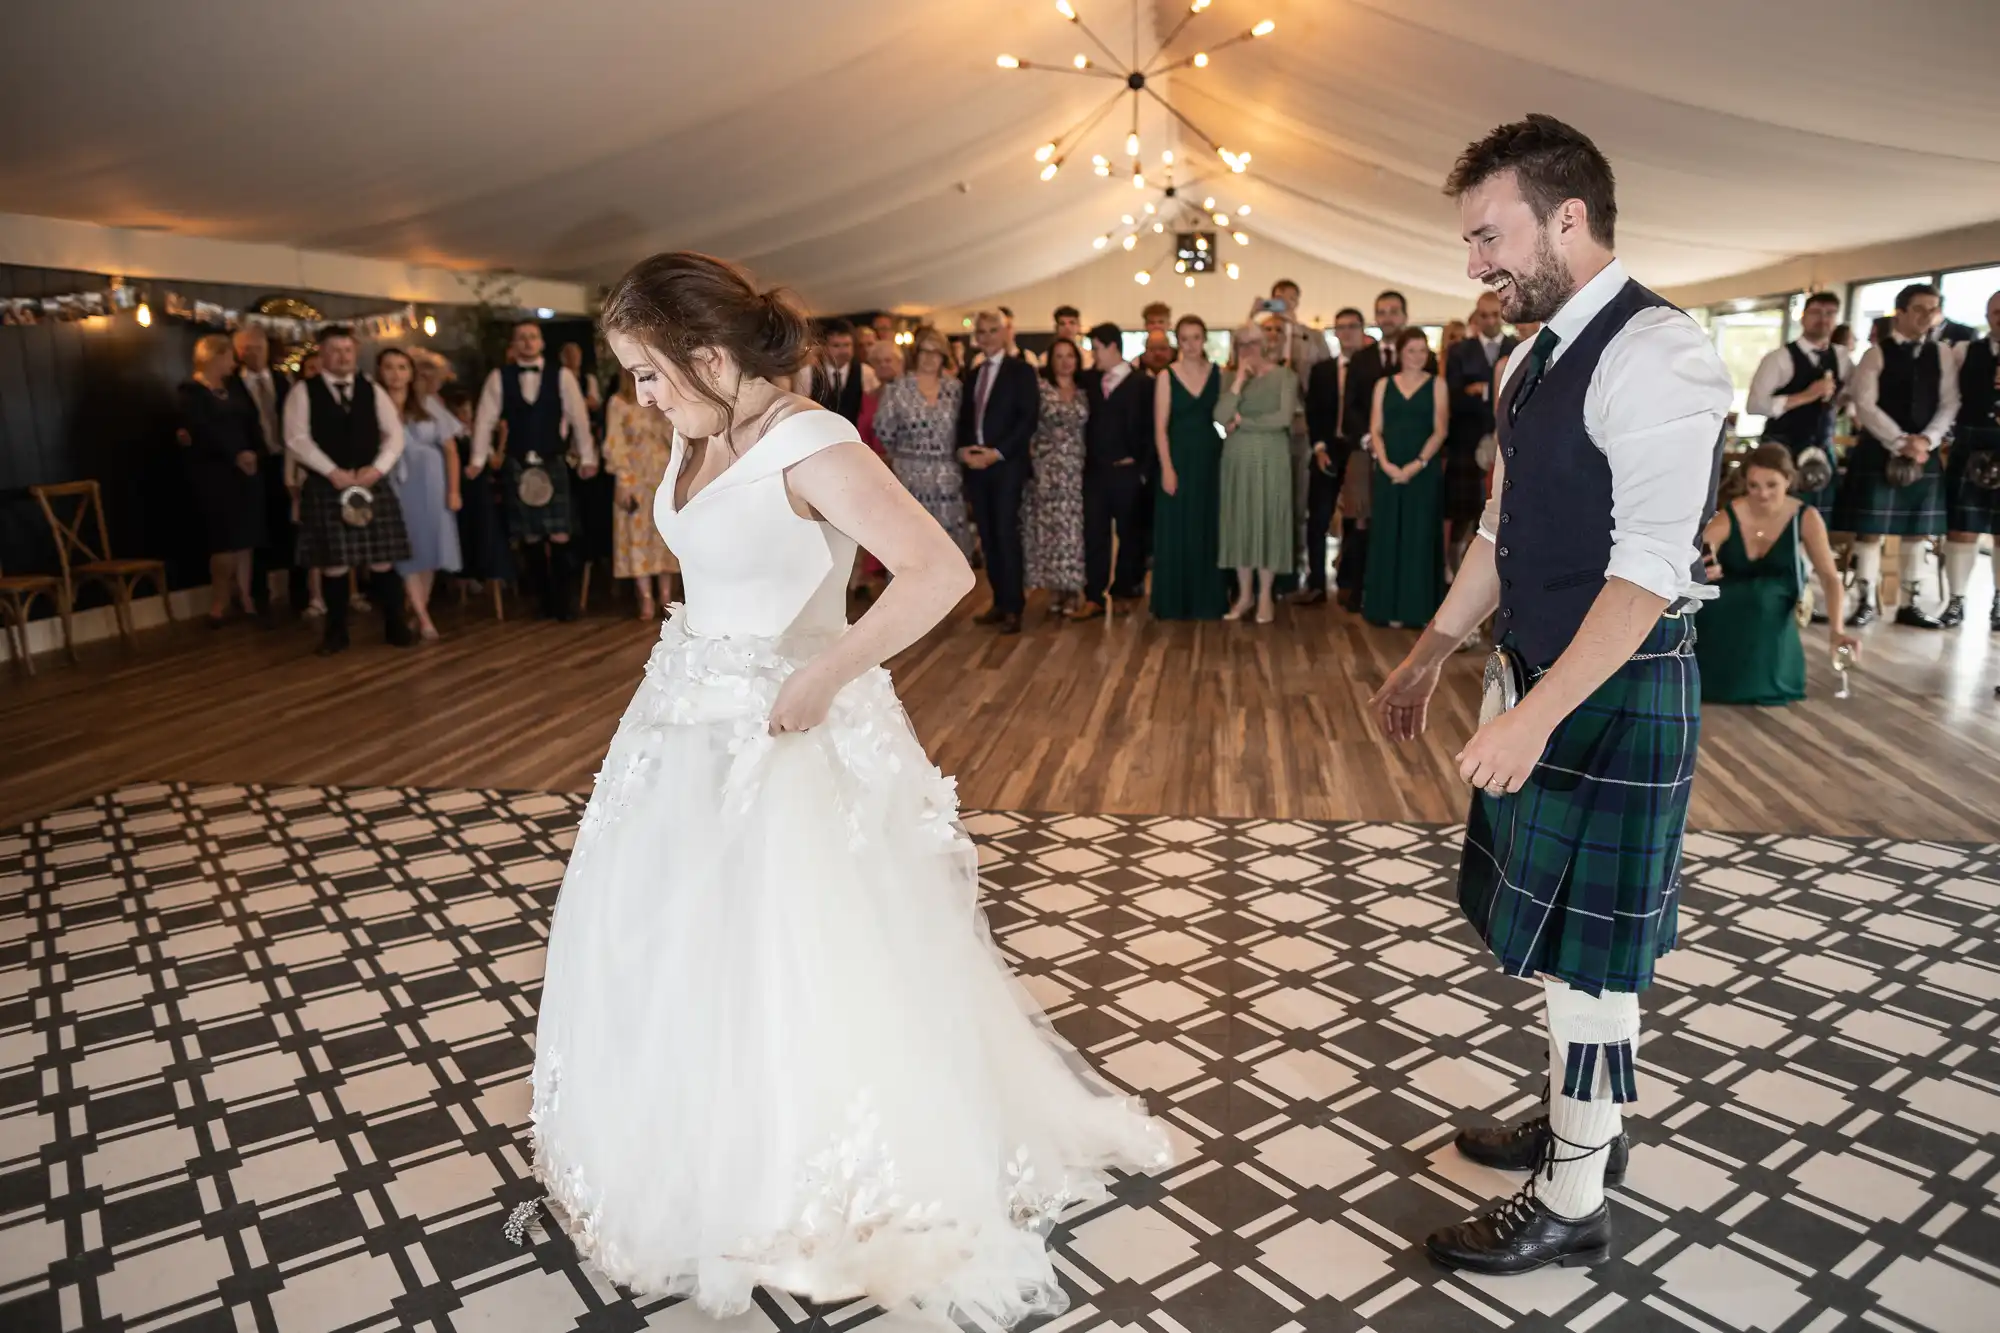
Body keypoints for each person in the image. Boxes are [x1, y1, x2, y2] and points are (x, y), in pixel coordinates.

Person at [523, 251, 1170, 1323]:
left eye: (648, 371)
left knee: (793, 953)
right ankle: (694, 1139)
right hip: (682, 722)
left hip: (786, 730)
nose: (639, 395)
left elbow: (938, 571)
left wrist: (821, 674)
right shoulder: (702, 427)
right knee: (683, 943)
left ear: (711, 355)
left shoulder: (807, 440)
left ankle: (810, 1177)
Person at [1371, 115, 1732, 1276]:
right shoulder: (1527, 356)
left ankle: (1574, 1191)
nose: (1473, 263)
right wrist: (1432, 648)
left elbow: (1646, 570)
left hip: (1614, 689)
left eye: (1487, 235)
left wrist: (1534, 714)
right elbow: (1500, 525)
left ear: (1564, 218)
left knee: (1594, 960)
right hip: (1538, 673)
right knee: (1566, 945)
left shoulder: (1659, 351)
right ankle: (1580, 1120)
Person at [282, 325, 414, 655]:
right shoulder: (303, 392)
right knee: (334, 563)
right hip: (327, 486)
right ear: (322, 354)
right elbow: (296, 439)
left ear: (355, 353)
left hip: (371, 482)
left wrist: (378, 469)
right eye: (335, 350)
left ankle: (395, 625)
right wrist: (332, 472)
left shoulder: (372, 390)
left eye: (347, 350)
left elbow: (395, 434)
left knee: (383, 560)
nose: (342, 356)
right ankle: (336, 633)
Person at [1832, 283, 1957, 628]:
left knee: (1917, 531)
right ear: (1899, 312)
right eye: (1918, 308)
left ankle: (1909, 604)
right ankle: (1866, 601)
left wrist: (1927, 441)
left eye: (1932, 309)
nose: (1926, 316)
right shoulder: (1877, 353)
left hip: (1923, 452)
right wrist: (1901, 440)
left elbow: (1950, 402)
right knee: (1869, 530)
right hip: (1881, 449)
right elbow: (1865, 404)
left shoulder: (1942, 353)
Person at [1696, 444, 1858, 703]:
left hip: (1776, 598)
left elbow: (1829, 577)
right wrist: (1702, 569)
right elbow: (1694, 556)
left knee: (1764, 598)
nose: (1762, 494)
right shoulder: (1731, 515)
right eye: (1754, 486)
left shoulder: (1805, 517)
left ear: (1788, 480)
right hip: (1727, 601)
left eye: (1771, 485)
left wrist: (1836, 630)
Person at [470, 319, 601, 621]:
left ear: (541, 343)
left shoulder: (562, 376)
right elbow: (484, 420)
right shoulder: (498, 377)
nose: (527, 342)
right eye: (521, 338)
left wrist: (588, 457)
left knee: (559, 533)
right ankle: (542, 599)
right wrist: (478, 459)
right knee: (529, 536)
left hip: (552, 460)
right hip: (517, 463)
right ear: (514, 346)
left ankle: (565, 602)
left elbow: (579, 419)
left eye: (532, 337)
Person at [1340, 291, 1435, 603]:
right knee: (1364, 517)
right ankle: (1361, 587)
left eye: (1394, 311)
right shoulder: (1361, 358)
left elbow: (1431, 404)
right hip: (1368, 448)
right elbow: (1351, 405)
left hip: (1413, 450)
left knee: (1410, 524)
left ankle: (1407, 590)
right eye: (1382, 312)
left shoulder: (1425, 356)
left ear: (1405, 316)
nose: (1388, 317)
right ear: (1376, 317)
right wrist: (1369, 440)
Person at [957, 311, 1040, 634]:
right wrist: (964, 450)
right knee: (988, 537)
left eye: (994, 330)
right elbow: (965, 419)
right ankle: (999, 601)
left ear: (1005, 333)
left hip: (1006, 465)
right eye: (983, 332)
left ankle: (1014, 607)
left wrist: (997, 452)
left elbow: (1027, 420)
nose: (989, 336)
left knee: (1006, 535)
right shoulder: (973, 373)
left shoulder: (1022, 371)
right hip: (976, 466)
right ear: (976, 336)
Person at [176, 334, 266, 626]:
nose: (234, 362)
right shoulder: (191, 392)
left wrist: (253, 452)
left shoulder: (235, 386)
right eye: (229, 356)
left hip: (247, 471)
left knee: (245, 538)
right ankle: (220, 600)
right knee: (223, 540)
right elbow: (201, 430)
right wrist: (235, 454)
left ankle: (247, 596)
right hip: (215, 473)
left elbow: (252, 419)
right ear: (213, 357)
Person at [1363, 327, 1449, 627]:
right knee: (1388, 535)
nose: (1417, 356)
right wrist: (1385, 464)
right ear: (1400, 353)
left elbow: (1440, 430)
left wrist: (1418, 463)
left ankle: (1418, 609)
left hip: (1422, 471)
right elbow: (1375, 429)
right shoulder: (1383, 385)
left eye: (1422, 351)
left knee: (1420, 535)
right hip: (1388, 468)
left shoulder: (1437, 384)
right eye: (1411, 350)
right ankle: (1386, 608)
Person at [1215, 324, 1299, 623]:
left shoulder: (1285, 376)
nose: (1248, 348)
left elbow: (1282, 418)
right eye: (1242, 343)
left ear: (1265, 344)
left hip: (1271, 456)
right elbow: (1220, 417)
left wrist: (1243, 421)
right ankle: (1244, 594)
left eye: (1254, 342)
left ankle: (1265, 595)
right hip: (1237, 458)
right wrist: (1238, 380)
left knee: (1268, 520)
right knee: (1240, 522)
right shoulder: (1227, 377)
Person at [1074, 323, 1156, 619]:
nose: (1093, 354)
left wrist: (1143, 469)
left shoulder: (1142, 384)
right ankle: (1093, 595)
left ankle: (1124, 589)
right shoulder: (1089, 381)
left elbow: (1152, 429)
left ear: (1111, 346)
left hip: (1127, 472)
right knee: (1095, 533)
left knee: (1130, 533)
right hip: (1096, 472)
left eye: (1095, 348)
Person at [380, 348, 462, 640]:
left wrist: (454, 490)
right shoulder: (377, 405)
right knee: (407, 546)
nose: (396, 374)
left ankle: (418, 608)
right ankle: (424, 617)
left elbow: (451, 450)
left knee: (430, 547)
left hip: (431, 482)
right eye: (389, 367)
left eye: (402, 368)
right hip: (396, 482)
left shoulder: (427, 404)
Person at [1746, 291, 1850, 519]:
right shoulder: (1778, 358)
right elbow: (1755, 405)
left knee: (1818, 521)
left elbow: (1848, 396)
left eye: (1830, 314)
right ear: (1802, 317)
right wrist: (1806, 396)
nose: (1823, 319)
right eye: (1816, 312)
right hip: (1781, 449)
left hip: (1821, 449)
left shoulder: (1842, 358)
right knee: (1776, 519)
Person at [1150, 315, 1226, 621]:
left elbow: (1225, 415)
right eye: (1185, 338)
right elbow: (1159, 428)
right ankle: (1174, 601)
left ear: (1204, 339)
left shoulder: (1218, 373)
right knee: (1176, 528)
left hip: (1210, 457)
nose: (1191, 344)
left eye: (1196, 337)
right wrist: (1167, 468)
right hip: (1178, 458)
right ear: (1177, 342)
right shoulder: (1167, 376)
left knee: (1208, 526)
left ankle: (1207, 599)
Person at [875, 327, 973, 559]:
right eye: (924, 351)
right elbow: (883, 431)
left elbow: (965, 429)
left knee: (948, 552)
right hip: (909, 478)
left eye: (936, 352)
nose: (929, 358)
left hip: (947, 480)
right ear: (915, 354)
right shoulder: (897, 389)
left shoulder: (956, 389)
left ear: (944, 356)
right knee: (910, 549)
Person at [1297, 308, 1371, 604]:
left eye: (1353, 326)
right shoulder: (1322, 370)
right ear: (1335, 333)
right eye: (1341, 327)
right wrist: (1318, 448)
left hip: (1358, 451)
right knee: (1318, 519)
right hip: (1326, 451)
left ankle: (1349, 582)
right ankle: (1316, 583)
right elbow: (1313, 413)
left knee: (1357, 519)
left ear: (1363, 330)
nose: (1347, 332)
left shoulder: (1370, 369)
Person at [1939, 289, 2000, 629]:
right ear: (1988, 314)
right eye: (1996, 311)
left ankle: (1999, 604)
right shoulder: (1964, 351)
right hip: (1971, 442)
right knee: (1961, 529)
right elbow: (1948, 396)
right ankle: (1956, 602)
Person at [232, 327, 301, 620]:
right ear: (238, 352)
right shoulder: (231, 385)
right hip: (254, 467)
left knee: (295, 529)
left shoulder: (284, 380)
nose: (252, 353)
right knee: (258, 532)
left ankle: (301, 598)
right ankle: (260, 599)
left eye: (257, 347)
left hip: (286, 462)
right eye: (245, 348)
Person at [1445, 293, 1518, 570]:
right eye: (1483, 315)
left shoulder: (1518, 347)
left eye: (1494, 315)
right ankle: (1456, 572)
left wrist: (1481, 389)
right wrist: (1488, 391)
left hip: (1506, 444)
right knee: (1464, 515)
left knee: (1501, 515)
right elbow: (1453, 397)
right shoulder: (1460, 351)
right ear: (1476, 316)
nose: (1489, 321)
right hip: (1466, 441)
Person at [602, 368, 679, 619]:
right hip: (633, 476)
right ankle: (645, 596)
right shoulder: (618, 403)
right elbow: (615, 444)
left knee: (663, 533)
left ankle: (667, 595)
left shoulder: (662, 401)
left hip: (662, 472)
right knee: (636, 535)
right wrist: (623, 479)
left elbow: (677, 437)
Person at [1021, 336, 1089, 619]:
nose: (1065, 361)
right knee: (1049, 532)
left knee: (1073, 532)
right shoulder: (1040, 388)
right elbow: (1027, 425)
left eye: (1069, 356)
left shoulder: (1085, 390)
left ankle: (1073, 589)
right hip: (1047, 468)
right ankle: (1055, 589)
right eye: (1059, 356)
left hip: (1076, 469)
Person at [800, 318, 877, 424]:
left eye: (847, 345)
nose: (843, 351)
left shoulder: (866, 372)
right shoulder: (807, 373)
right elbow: (801, 410)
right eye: (836, 345)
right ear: (824, 347)